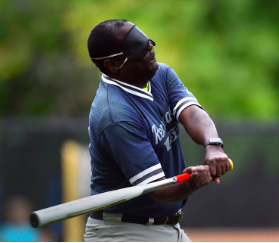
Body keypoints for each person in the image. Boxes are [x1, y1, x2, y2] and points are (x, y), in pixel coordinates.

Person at [85, 19, 229, 242]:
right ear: (113, 65)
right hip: (125, 233)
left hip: (165, 227)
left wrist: (213, 145)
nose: (150, 47)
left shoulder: (160, 74)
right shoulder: (116, 115)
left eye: (146, 40)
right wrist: (192, 182)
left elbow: (191, 113)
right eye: (137, 45)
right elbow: (160, 191)